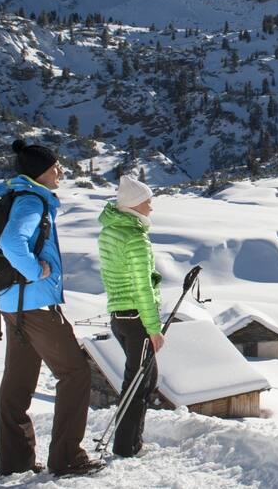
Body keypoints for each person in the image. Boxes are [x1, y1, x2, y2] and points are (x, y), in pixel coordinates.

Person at [0, 139, 104, 477]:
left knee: (18, 382)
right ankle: (67, 457)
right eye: (55, 166)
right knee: (75, 373)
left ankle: (16, 462)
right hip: (36, 306)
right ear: (39, 171)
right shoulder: (32, 201)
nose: (60, 171)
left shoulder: (18, 196)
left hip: (13, 303)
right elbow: (11, 242)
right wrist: (34, 271)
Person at [97, 175, 163, 457]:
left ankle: (131, 441)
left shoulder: (110, 231)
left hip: (119, 315)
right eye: (147, 201)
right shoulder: (135, 237)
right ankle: (128, 445)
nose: (151, 207)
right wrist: (154, 328)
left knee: (142, 377)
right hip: (137, 318)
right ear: (135, 204)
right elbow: (141, 286)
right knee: (139, 382)